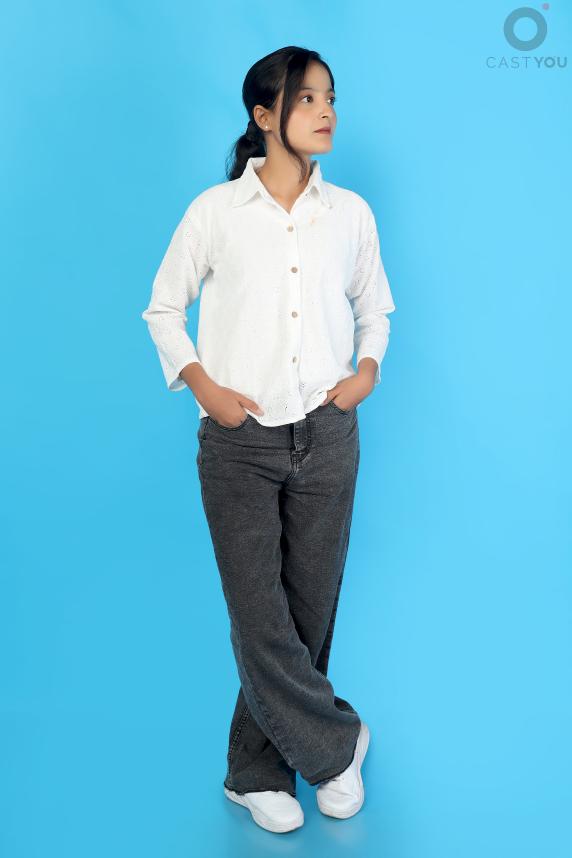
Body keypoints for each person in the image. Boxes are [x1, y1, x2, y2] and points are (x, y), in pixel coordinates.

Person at [141, 45, 396, 834]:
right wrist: (204, 387)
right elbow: (162, 308)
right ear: (263, 115)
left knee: (307, 615)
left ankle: (252, 773)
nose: (327, 112)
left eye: (331, 97)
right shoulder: (215, 213)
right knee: (260, 618)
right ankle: (337, 745)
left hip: (329, 434)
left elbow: (375, 306)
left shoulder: (349, 214)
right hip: (239, 444)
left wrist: (367, 372)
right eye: (308, 98)